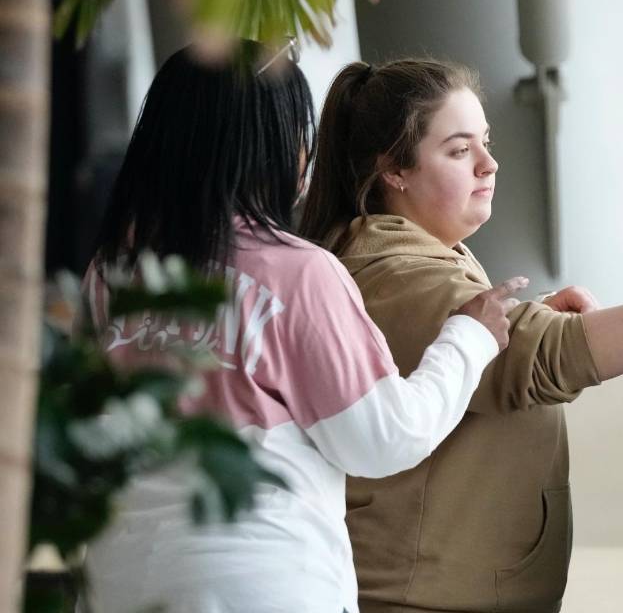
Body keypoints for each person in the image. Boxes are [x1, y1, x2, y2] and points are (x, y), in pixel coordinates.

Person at [299, 58, 623, 613]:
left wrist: (530, 318)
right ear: (394, 169)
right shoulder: (400, 272)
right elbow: (554, 355)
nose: (489, 165)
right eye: (459, 150)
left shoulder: (414, 259)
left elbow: (474, 359)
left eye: (485, 143)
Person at [80, 42, 524, 613]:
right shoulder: (296, 272)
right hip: (267, 585)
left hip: (120, 587)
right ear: (270, 144)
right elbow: (383, 439)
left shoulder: (110, 273)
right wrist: (469, 338)